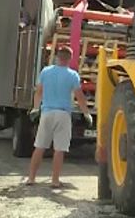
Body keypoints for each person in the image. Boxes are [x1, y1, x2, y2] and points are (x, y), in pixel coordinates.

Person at [25, 46, 93, 188]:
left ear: (57, 57)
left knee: (39, 146)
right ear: (70, 59)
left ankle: (31, 178)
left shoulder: (45, 72)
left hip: (47, 113)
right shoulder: (72, 75)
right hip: (63, 114)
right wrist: (86, 113)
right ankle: (55, 180)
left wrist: (35, 108)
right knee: (59, 149)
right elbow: (79, 97)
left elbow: (38, 93)